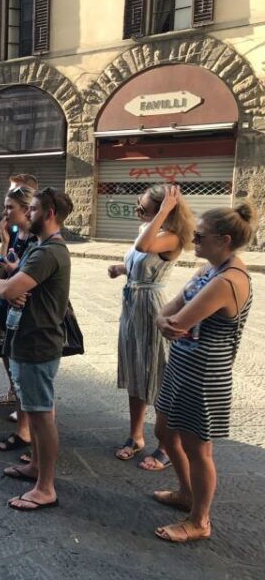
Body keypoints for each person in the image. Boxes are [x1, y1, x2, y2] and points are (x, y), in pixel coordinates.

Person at [151, 203, 257, 543]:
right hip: (182, 364)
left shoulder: (227, 280)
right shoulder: (207, 270)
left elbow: (177, 320)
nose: (192, 240)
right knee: (164, 432)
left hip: (205, 373)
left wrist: (168, 322)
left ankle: (200, 520)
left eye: (199, 236)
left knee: (199, 449)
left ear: (223, 240)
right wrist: (166, 321)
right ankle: (185, 492)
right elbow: (165, 312)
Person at [0, 188, 73, 512]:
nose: (27, 213)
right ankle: (35, 467)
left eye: (33, 209)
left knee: (41, 415)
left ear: (49, 213)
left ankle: (45, 487)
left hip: (38, 343)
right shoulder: (41, 248)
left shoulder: (47, 252)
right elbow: (14, 281)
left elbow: (7, 288)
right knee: (35, 414)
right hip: (30, 340)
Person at [109, 185, 195, 471]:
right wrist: (122, 269)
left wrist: (162, 214)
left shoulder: (171, 237)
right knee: (135, 370)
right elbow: (139, 257)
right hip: (132, 306)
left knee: (157, 374)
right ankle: (136, 435)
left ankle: (168, 444)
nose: (139, 210)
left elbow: (144, 248)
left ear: (164, 210)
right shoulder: (149, 229)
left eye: (144, 207)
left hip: (152, 308)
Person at [0, 186, 36, 456]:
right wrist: (4, 242)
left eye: (10, 208)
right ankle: (24, 427)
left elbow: (19, 276)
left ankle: (31, 432)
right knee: (11, 362)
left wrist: (8, 274)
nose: (5, 212)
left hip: (27, 312)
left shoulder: (37, 240)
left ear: (26, 209)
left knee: (29, 374)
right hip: (10, 307)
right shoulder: (17, 235)